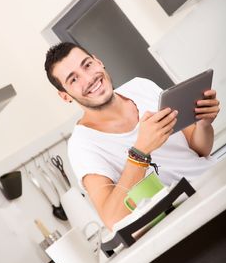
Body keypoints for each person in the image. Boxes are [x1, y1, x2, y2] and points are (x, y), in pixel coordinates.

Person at [44, 42, 220, 230]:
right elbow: (112, 219)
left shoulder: (141, 86)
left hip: (217, 181)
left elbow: (199, 150)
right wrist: (141, 151)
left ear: (98, 61)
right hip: (186, 220)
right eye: (73, 79)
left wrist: (203, 124)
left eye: (87, 65)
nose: (88, 79)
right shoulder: (82, 146)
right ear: (65, 96)